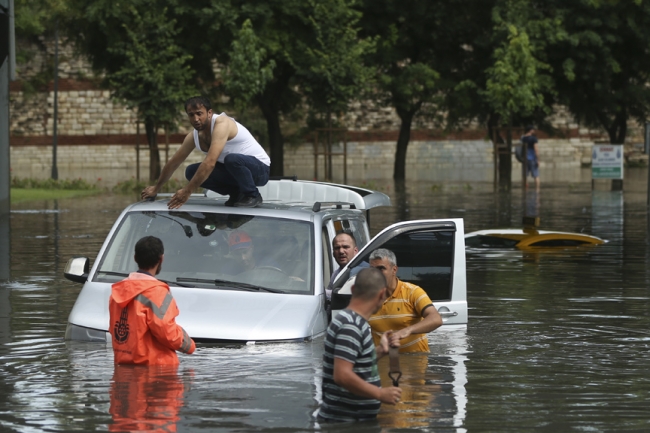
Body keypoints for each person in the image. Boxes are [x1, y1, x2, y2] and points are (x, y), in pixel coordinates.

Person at [141, 96, 271, 209]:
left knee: (231, 159)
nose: (196, 119)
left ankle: (252, 195)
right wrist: (155, 189)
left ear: (209, 113)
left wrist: (188, 191)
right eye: (191, 115)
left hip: (259, 170)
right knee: (191, 171)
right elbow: (173, 163)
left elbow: (210, 163)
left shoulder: (222, 123)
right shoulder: (193, 136)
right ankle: (237, 193)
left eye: (199, 113)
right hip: (235, 171)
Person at [318, 267, 402, 423]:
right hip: (344, 423)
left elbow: (355, 366)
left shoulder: (354, 321)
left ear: (353, 289)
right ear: (382, 294)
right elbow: (342, 375)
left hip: (355, 421)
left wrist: (381, 351)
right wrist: (380, 394)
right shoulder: (351, 325)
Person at [109, 236, 196, 365]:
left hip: (123, 366)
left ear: (135, 258)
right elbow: (168, 333)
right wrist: (190, 346)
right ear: (161, 259)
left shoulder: (117, 292)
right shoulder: (158, 293)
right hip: (157, 369)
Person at [367, 248, 442, 353]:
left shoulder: (412, 292)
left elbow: (436, 319)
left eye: (381, 268)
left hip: (415, 362)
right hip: (384, 363)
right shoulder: (367, 298)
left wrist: (408, 330)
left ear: (394, 270)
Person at [326, 231, 368, 300]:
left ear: (355, 251)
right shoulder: (336, 274)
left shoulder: (365, 271)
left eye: (345, 247)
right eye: (337, 248)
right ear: (333, 253)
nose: (341, 251)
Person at [522, 125, 540, 191]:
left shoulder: (523, 138)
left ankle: (525, 190)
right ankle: (537, 190)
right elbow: (536, 150)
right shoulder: (533, 138)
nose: (534, 131)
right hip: (532, 158)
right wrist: (538, 159)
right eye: (533, 129)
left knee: (525, 176)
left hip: (525, 159)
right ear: (530, 130)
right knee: (536, 175)